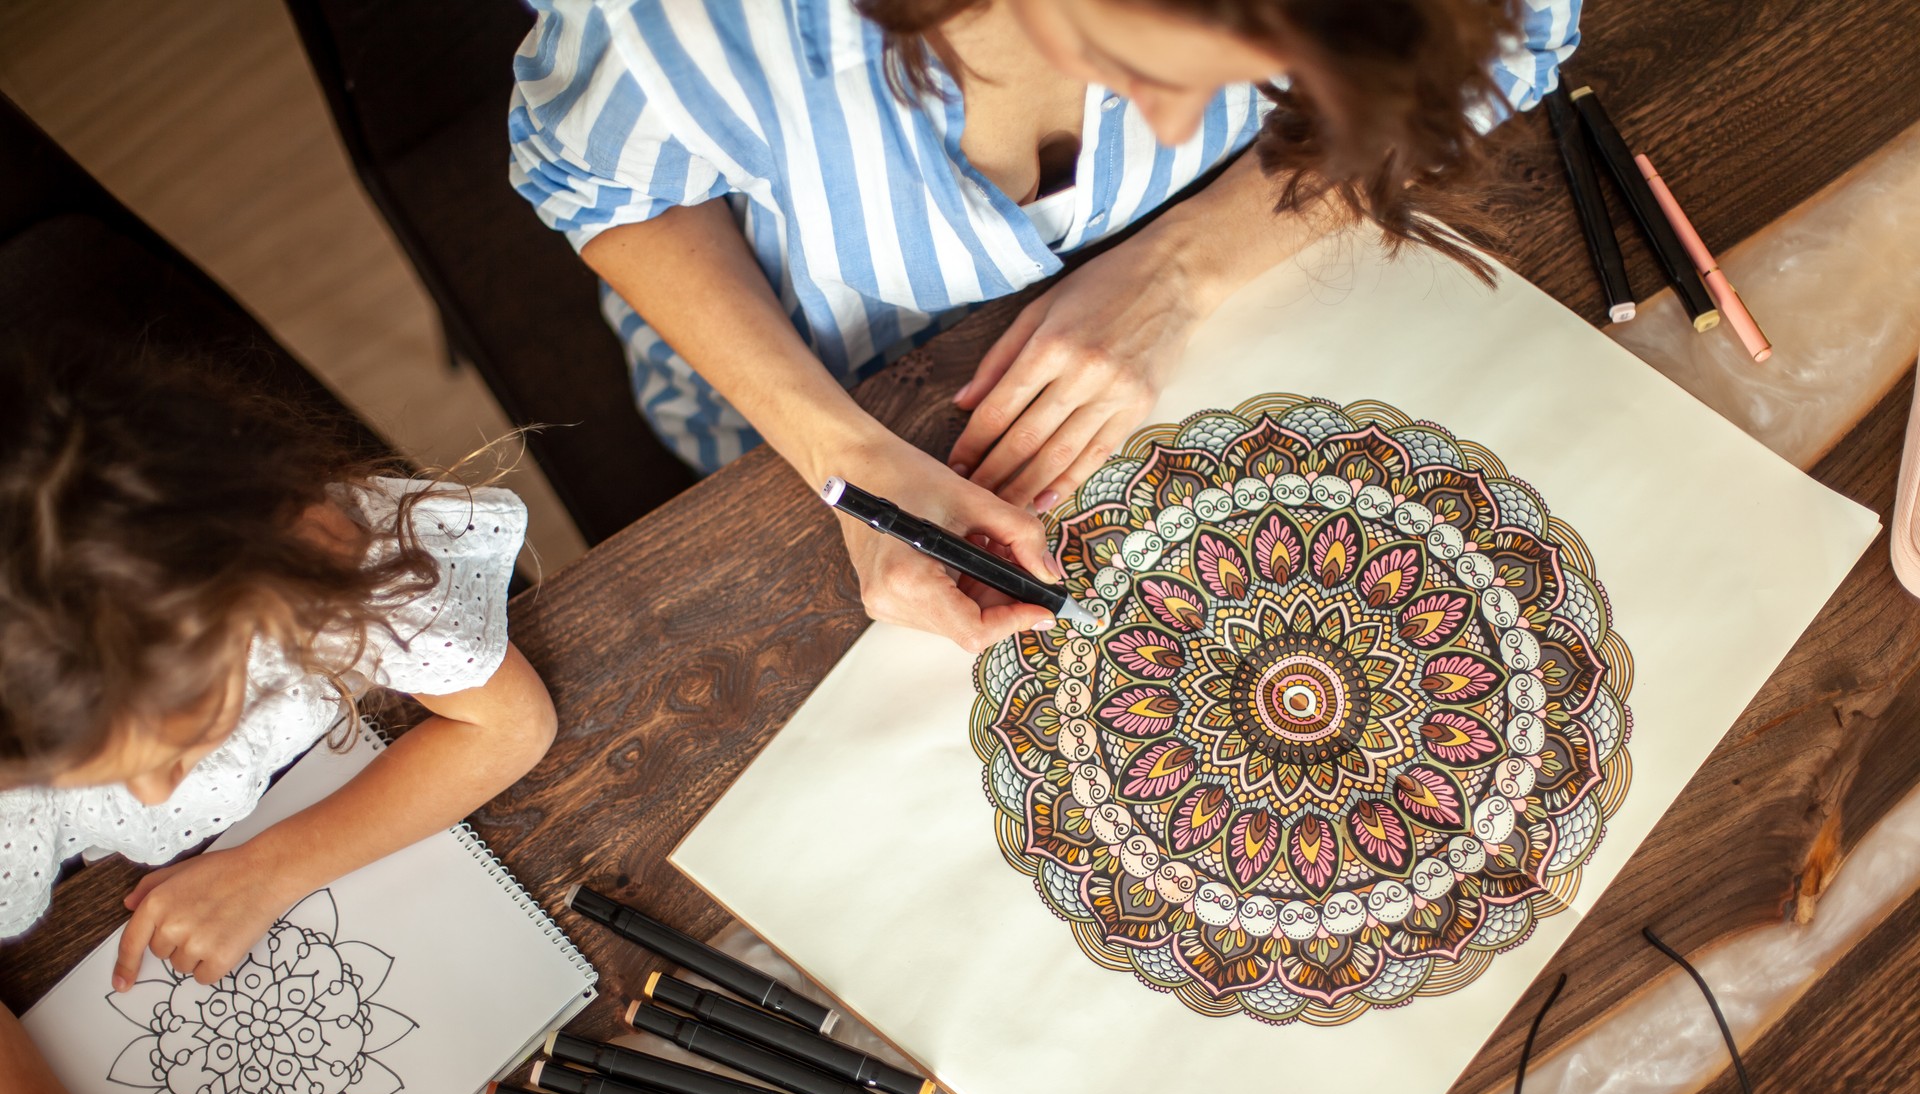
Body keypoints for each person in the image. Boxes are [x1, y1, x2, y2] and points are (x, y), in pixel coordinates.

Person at [510, 0, 1578, 652]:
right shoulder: (691, 22)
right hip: (804, 381)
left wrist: (1190, 260)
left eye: (1249, 75)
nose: (1175, 125)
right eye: (1156, 61)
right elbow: (605, 193)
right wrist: (844, 452)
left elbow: (1513, 40)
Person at [0, 350, 556, 1094]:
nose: (152, 800)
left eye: (182, 747)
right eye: (99, 773)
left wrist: (273, 867)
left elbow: (511, 723)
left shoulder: (299, 575)